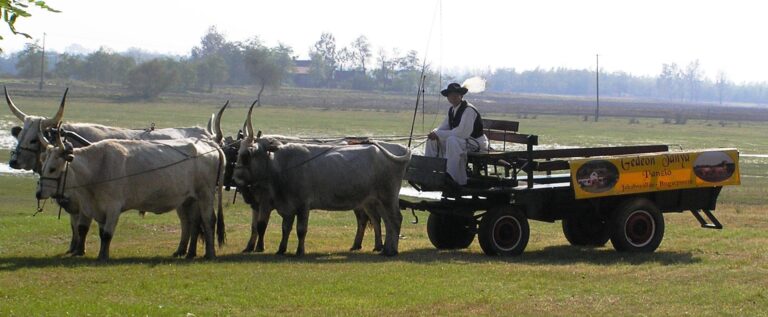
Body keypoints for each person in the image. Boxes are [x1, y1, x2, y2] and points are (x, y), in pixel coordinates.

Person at [425, 82, 488, 186]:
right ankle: (430, 171)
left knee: (452, 141)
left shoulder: (469, 110)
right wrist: (434, 133)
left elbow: (462, 133)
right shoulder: (452, 110)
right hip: (463, 141)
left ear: (461, 96)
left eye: (455, 95)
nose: (453, 97)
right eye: (450, 95)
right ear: (448, 97)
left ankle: (451, 176)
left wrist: (439, 134)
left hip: (476, 143)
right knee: (432, 140)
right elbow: (444, 126)